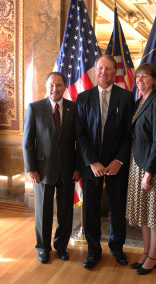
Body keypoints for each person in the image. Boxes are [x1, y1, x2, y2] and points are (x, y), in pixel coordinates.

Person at [75, 54, 135, 269]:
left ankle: (117, 247)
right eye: (100, 68)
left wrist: (119, 160)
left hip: (117, 165)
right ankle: (93, 251)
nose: (104, 72)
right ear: (95, 70)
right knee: (91, 208)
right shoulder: (83, 98)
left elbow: (130, 134)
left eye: (108, 69)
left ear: (114, 72)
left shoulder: (127, 98)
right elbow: (79, 135)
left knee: (117, 207)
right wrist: (92, 162)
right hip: (92, 166)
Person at [22, 71, 80, 264]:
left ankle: (61, 246)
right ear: (47, 87)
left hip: (67, 170)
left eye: (59, 85)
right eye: (51, 85)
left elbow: (79, 141)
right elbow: (28, 142)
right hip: (42, 170)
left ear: (65, 87)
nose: (55, 89)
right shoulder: (35, 108)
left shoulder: (74, 108)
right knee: (43, 213)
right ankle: (43, 248)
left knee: (65, 212)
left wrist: (77, 167)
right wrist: (31, 169)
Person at [126, 63, 156, 275]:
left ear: (154, 80)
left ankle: (154, 257)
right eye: (138, 77)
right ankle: (146, 252)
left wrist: (149, 172)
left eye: (145, 77)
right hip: (139, 164)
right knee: (145, 214)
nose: (140, 80)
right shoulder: (139, 102)